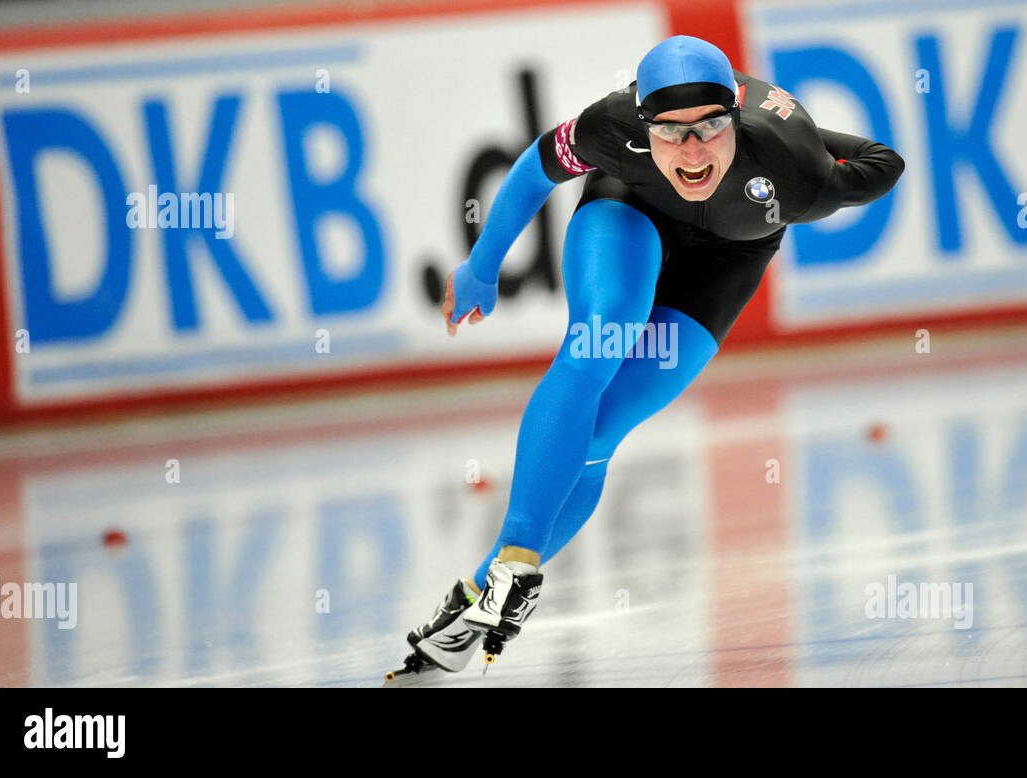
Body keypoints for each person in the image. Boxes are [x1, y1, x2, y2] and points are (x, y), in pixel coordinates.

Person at [386, 34, 903, 683]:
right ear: (643, 121)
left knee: (600, 432)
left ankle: (482, 601)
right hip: (629, 210)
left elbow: (888, 163)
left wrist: (793, 120)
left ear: (736, 120)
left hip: (723, 264)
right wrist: (483, 266)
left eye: (710, 129)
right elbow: (534, 170)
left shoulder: (799, 175)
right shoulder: (613, 127)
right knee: (602, 336)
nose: (692, 153)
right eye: (672, 132)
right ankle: (515, 567)